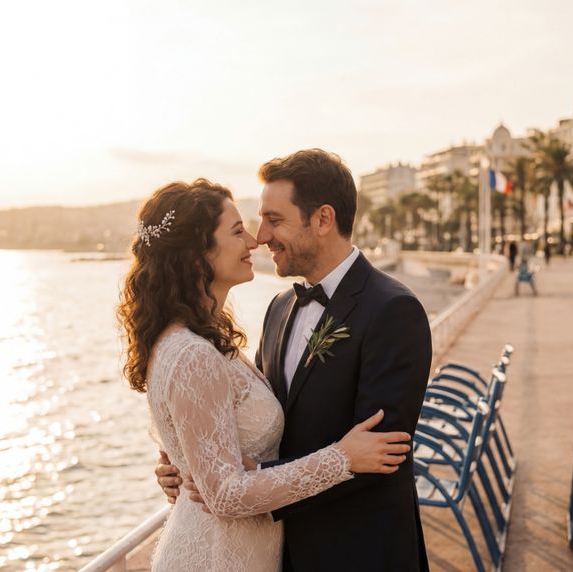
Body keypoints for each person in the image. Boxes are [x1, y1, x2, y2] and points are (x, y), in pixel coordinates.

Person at [155, 150, 433, 571]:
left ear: (323, 220)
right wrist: (189, 460)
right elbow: (253, 413)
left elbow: (379, 453)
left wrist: (248, 479)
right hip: (281, 554)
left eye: (274, 220)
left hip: (359, 552)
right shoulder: (280, 307)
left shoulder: (393, 310)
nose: (261, 236)